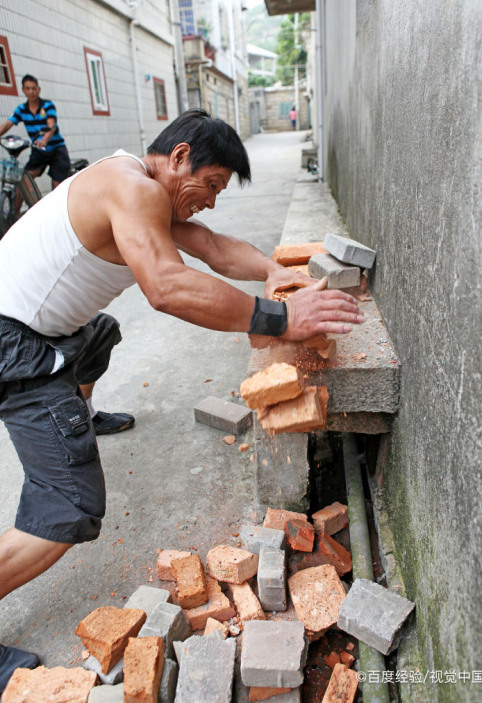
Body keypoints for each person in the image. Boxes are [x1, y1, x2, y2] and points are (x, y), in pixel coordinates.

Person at [0, 108, 364, 691]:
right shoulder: (132, 189)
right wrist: (280, 317)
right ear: (179, 157)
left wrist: (273, 271)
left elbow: (216, 249)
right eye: (212, 185)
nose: (213, 201)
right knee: (68, 506)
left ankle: (79, 414)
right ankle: (62, 423)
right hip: (14, 342)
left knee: (98, 334)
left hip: (39, 324)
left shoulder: (143, 187)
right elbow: (166, 288)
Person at [0, 74, 71, 216]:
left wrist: (44, 140)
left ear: (39, 90)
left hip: (56, 150)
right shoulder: (22, 109)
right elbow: (8, 124)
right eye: (28, 89)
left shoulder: (48, 106)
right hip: (39, 151)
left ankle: (59, 215)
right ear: (23, 90)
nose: (31, 92)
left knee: (58, 186)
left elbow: (51, 126)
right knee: (23, 180)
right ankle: (15, 218)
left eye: (34, 88)